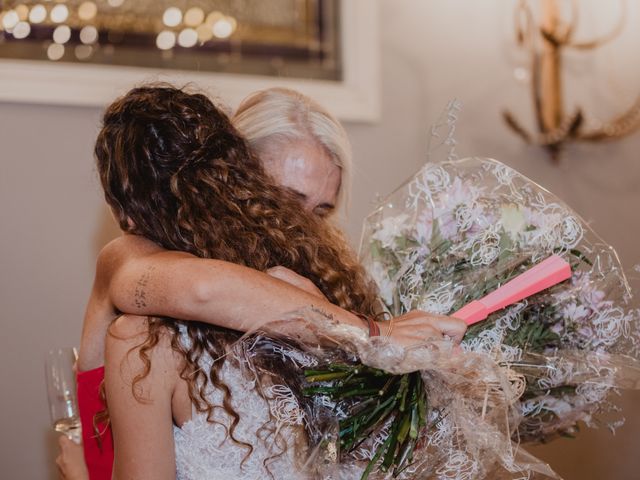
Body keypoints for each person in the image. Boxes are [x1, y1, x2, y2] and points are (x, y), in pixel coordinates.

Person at [58, 85, 465, 479]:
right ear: (231, 180)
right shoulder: (138, 289)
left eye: (321, 212)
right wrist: (369, 333)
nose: (301, 229)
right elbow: (203, 289)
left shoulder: (329, 300)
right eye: (283, 202)